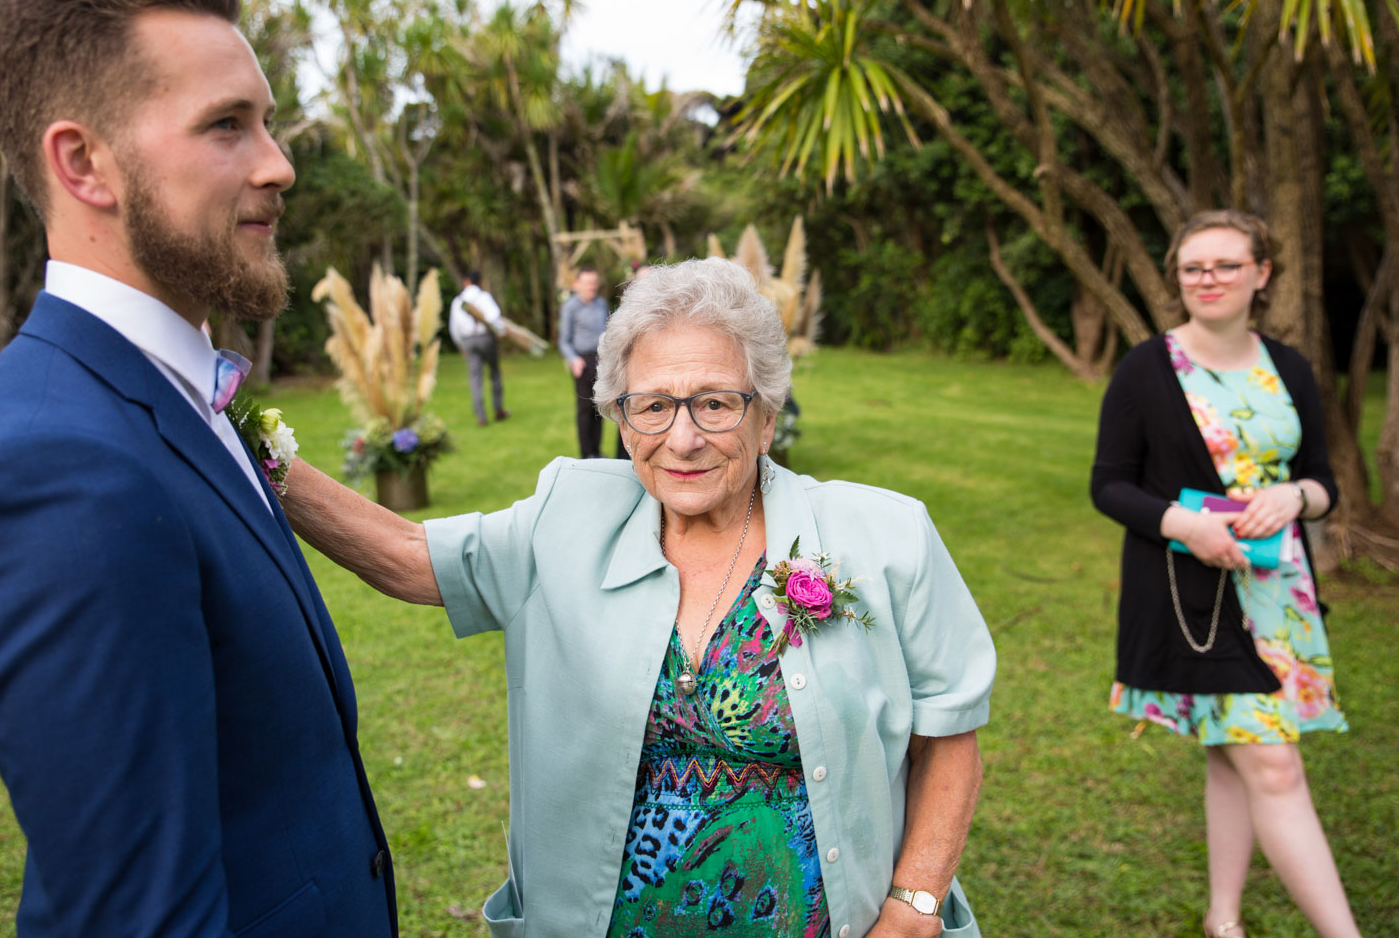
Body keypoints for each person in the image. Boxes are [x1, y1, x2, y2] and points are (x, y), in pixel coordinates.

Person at [281, 258, 996, 938]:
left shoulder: (884, 534)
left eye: (715, 403)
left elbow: (950, 733)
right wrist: (254, 447)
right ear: (620, 421)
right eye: (653, 406)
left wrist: (915, 902)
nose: (682, 438)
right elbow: (410, 557)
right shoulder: (568, 513)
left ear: (767, 416)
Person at [0, 0, 396, 935]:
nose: (280, 162)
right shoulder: (55, 474)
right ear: (83, 162)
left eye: (264, 120)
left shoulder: (173, 389)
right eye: (227, 126)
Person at [1091, 210, 1360, 938]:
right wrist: (1191, 528)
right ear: (1178, 278)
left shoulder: (1291, 368)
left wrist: (1296, 497)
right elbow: (1109, 484)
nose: (1207, 279)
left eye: (1225, 265)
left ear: (1262, 274)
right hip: (1195, 597)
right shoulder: (1147, 368)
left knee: (1235, 757)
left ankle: (1224, 920)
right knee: (1271, 765)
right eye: (1193, 268)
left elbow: (1323, 479)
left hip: (1279, 594)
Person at [559, 266, 610, 457]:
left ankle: (596, 451)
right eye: (588, 283)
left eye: (594, 283)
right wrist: (573, 360)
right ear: (577, 285)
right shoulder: (570, 307)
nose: (592, 287)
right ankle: (586, 453)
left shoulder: (601, 304)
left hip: (601, 360)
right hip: (582, 361)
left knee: (600, 406)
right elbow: (564, 340)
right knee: (584, 409)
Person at [450, 269, 510, 426]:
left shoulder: (457, 301)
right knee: (495, 373)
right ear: (479, 282)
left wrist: (461, 345)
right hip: (486, 338)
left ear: (466, 282)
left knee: (475, 378)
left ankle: (481, 416)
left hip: (469, 341)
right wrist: (500, 332)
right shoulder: (484, 297)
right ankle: (498, 410)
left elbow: (454, 328)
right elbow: (494, 317)